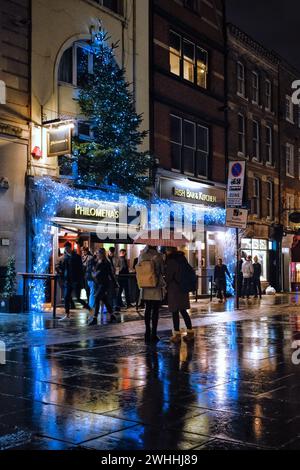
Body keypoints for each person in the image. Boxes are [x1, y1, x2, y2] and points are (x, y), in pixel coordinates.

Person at [165, 248, 194, 343]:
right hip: (183, 287)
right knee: (183, 311)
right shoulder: (182, 258)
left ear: (170, 251)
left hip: (174, 289)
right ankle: (190, 333)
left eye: (167, 250)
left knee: (174, 311)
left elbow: (169, 276)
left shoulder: (171, 261)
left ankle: (177, 335)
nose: (166, 251)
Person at [56, 242, 90, 321]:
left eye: (68, 248)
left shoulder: (76, 257)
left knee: (78, 298)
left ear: (70, 248)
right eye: (65, 249)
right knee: (66, 297)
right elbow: (60, 267)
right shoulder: (64, 257)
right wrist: (60, 271)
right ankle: (67, 314)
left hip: (75, 280)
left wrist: (81, 281)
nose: (67, 250)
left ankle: (89, 309)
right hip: (67, 281)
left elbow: (81, 269)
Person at [138, 245, 165, 344]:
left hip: (145, 285)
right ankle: (154, 333)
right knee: (156, 310)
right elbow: (162, 271)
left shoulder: (142, 255)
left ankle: (147, 332)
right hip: (155, 285)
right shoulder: (158, 256)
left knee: (147, 309)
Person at [88, 248, 114, 326]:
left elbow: (110, 274)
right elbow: (91, 265)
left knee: (97, 298)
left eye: (98, 253)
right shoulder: (96, 261)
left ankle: (95, 318)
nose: (97, 254)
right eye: (97, 253)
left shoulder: (106, 263)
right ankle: (112, 315)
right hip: (97, 283)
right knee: (104, 300)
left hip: (104, 283)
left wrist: (115, 283)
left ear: (102, 254)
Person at [107, 247, 120, 312]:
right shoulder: (106, 259)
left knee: (115, 291)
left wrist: (116, 273)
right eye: (110, 252)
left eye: (112, 252)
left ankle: (114, 305)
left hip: (114, 277)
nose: (111, 253)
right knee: (110, 292)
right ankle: (110, 305)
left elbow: (117, 267)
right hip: (108, 277)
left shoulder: (116, 259)